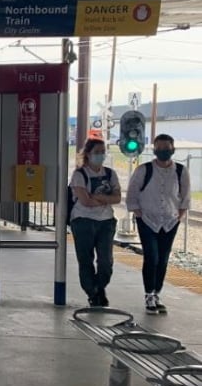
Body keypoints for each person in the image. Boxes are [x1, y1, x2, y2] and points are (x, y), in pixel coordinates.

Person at [126, 134, 190, 315]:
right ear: (154, 149)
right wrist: (138, 213)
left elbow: (185, 196)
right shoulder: (143, 170)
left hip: (170, 221)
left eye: (166, 147)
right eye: (159, 148)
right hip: (147, 220)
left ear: (173, 149)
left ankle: (157, 293)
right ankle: (148, 294)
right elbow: (132, 194)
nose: (163, 151)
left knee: (163, 258)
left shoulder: (180, 171)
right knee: (151, 256)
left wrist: (179, 216)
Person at [69, 138, 120, 307]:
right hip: (83, 221)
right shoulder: (79, 175)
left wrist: (97, 197)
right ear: (88, 154)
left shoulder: (111, 174)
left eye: (102, 152)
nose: (100, 155)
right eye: (96, 152)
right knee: (86, 259)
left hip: (106, 221)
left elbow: (117, 198)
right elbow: (85, 201)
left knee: (106, 261)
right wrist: (106, 199)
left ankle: (99, 286)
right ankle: (93, 293)